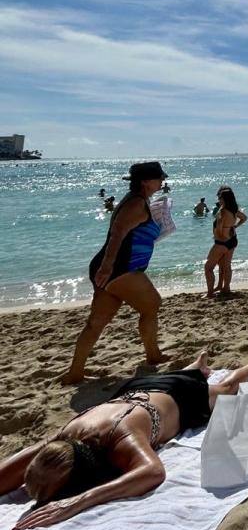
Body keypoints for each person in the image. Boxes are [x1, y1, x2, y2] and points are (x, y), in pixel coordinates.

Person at [1, 351, 248, 530]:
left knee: (225, 389)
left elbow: (154, 471)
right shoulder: (62, 439)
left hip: (178, 396)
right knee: (177, 379)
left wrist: (77, 502)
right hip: (136, 390)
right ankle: (196, 367)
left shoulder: (119, 440)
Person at [67, 162, 169, 384]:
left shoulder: (139, 201)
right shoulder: (136, 203)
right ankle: (153, 355)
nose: (162, 181)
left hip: (113, 267)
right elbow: (117, 234)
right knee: (152, 304)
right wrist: (107, 266)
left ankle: (75, 372)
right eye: (158, 178)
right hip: (120, 268)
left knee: (97, 322)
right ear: (145, 181)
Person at [204, 186, 247, 298]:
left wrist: (218, 237)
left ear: (225, 199)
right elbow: (244, 218)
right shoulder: (234, 210)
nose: (219, 200)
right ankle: (226, 288)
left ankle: (210, 293)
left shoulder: (222, 211)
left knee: (208, 267)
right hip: (232, 240)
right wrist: (235, 226)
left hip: (222, 243)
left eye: (220, 198)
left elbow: (219, 228)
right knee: (226, 266)